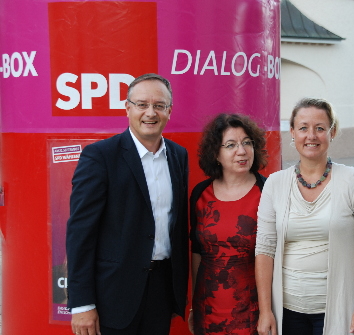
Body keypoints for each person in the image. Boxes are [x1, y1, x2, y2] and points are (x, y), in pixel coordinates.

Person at [66, 73, 189, 335]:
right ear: (127, 108)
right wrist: (81, 303)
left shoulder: (179, 156)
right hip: (113, 296)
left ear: (169, 111)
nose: (150, 113)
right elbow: (80, 234)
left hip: (161, 290)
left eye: (159, 105)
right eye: (142, 104)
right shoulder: (100, 157)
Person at [255, 98, 354, 335]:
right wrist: (265, 310)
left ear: (332, 132)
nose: (311, 135)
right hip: (287, 311)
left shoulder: (352, 180)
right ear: (292, 132)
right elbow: (264, 249)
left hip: (339, 309)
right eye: (303, 128)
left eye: (320, 128)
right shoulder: (275, 184)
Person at [188, 113, 267, 335]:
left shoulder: (268, 192)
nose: (241, 151)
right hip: (208, 307)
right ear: (216, 154)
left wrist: (269, 311)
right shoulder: (200, 195)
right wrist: (194, 305)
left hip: (253, 310)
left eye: (247, 143)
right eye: (231, 145)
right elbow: (197, 253)